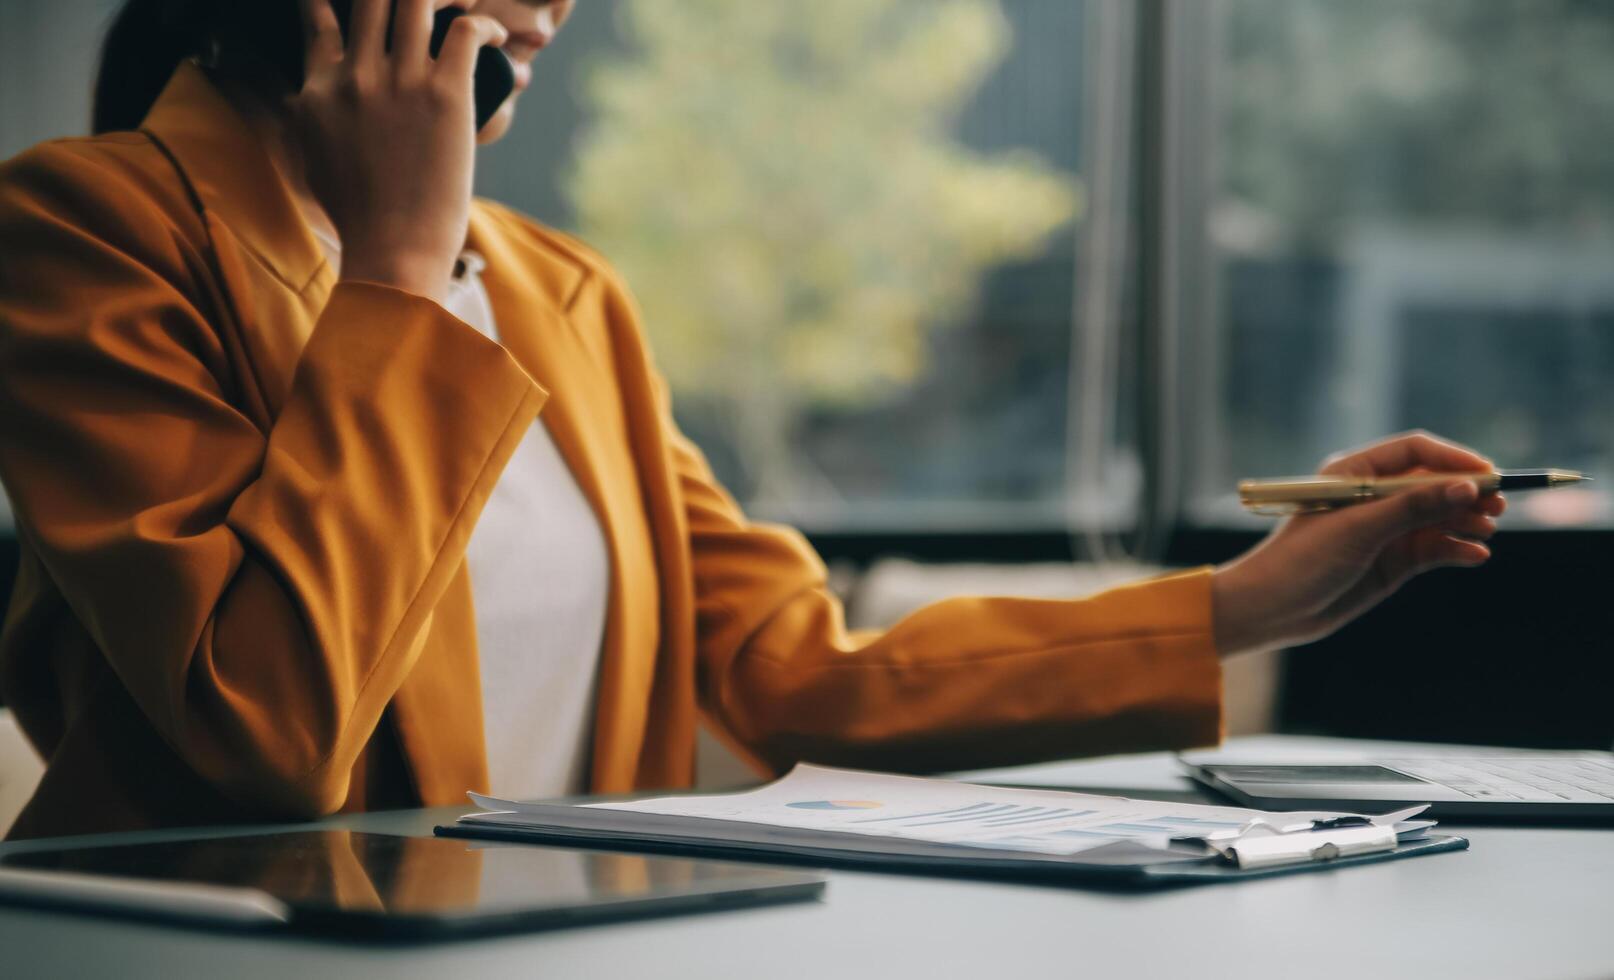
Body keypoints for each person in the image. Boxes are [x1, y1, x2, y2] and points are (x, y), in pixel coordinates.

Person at [0, 0, 1504, 840]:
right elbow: (259, 731)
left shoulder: (558, 290)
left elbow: (797, 672)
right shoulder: (89, 223)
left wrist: (1238, 610)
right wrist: (394, 275)